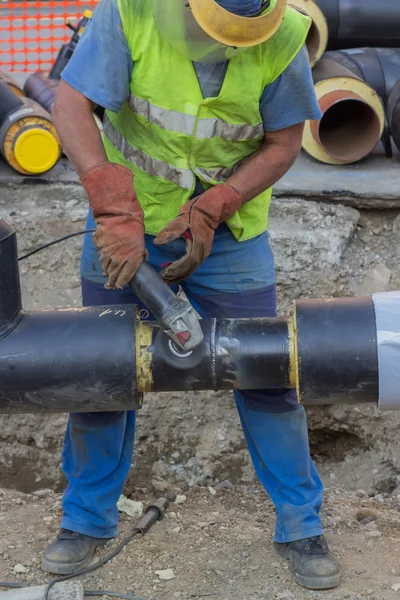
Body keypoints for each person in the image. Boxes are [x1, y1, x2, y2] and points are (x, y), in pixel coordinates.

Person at [45, 0, 340, 590]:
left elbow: (282, 144)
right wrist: (109, 203)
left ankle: (301, 524)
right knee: (99, 372)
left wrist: (217, 204)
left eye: (240, 39)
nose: (227, 48)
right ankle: (85, 520)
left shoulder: (283, 35)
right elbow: (71, 103)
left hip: (227, 237)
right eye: (216, 35)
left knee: (266, 371)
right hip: (125, 226)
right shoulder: (132, 11)